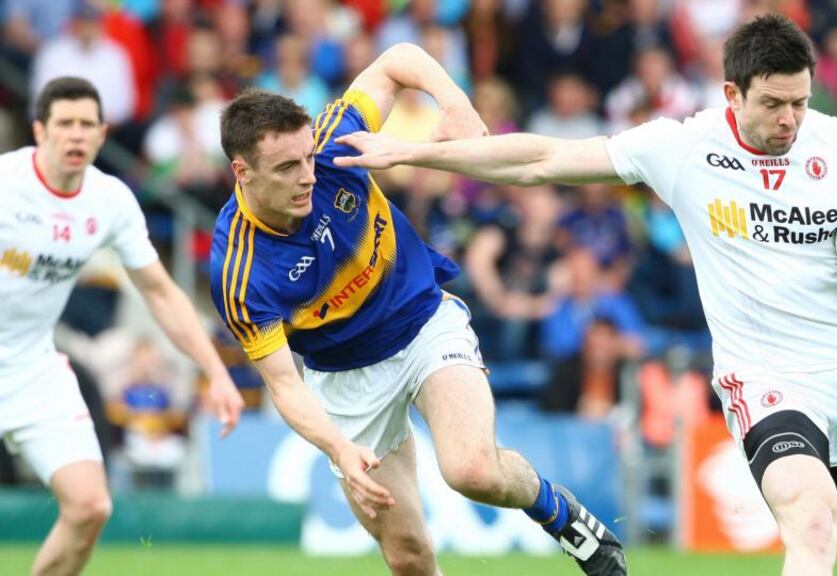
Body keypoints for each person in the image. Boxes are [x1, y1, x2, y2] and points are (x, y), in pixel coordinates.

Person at [334, 15, 837, 576]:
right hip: (768, 381)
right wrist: (411, 153)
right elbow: (543, 159)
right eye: (774, 104)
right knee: (811, 520)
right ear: (732, 93)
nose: (790, 120)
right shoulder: (683, 147)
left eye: (800, 103)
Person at [210, 42, 626, 576]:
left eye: (309, 157)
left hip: (422, 319)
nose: (309, 176)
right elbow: (284, 385)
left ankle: (564, 517)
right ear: (242, 172)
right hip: (345, 378)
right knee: (407, 556)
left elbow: (395, 60)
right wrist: (338, 448)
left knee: (473, 470)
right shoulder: (238, 271)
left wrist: (453, 101)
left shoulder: (336, 139)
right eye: (288, 167)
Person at [0, 76, 245, 576]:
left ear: (102, 133)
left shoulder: (110, 200)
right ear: (40, 131)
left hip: (29, 366)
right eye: (64, 124)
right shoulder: (6, 183)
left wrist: (215, 372)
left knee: (91, 507)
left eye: (86, 124)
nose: (75, 135)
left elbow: (160, 291)